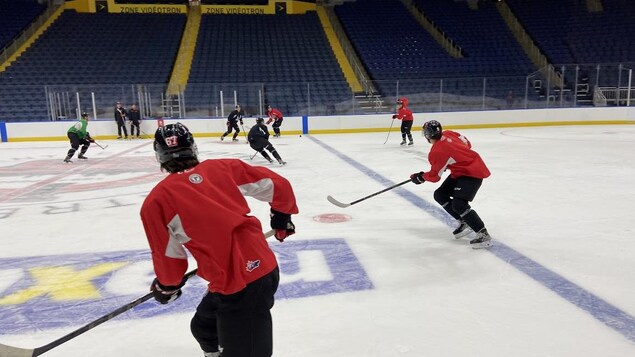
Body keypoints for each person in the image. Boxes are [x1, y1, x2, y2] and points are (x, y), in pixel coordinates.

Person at [141, 123, 298, 357]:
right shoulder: (222, 168)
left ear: (159, 155)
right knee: (205, 328)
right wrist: (281, 218)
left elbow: (170, 259)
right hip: (250, 272)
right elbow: (278, 186)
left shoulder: (156, 202)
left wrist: (167, 287)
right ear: (192, 148)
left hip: (245, 284)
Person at [409, 120, 492, 249]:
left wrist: (420, 177)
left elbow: (434, 176)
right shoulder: (449, 133)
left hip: (473, 172)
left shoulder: (436, 151)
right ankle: (464, 222)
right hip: (461, 171)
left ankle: (482, 233)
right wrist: (455, 159)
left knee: (459, 204)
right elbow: (467, 144)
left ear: (427, 135)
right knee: (440, 195)